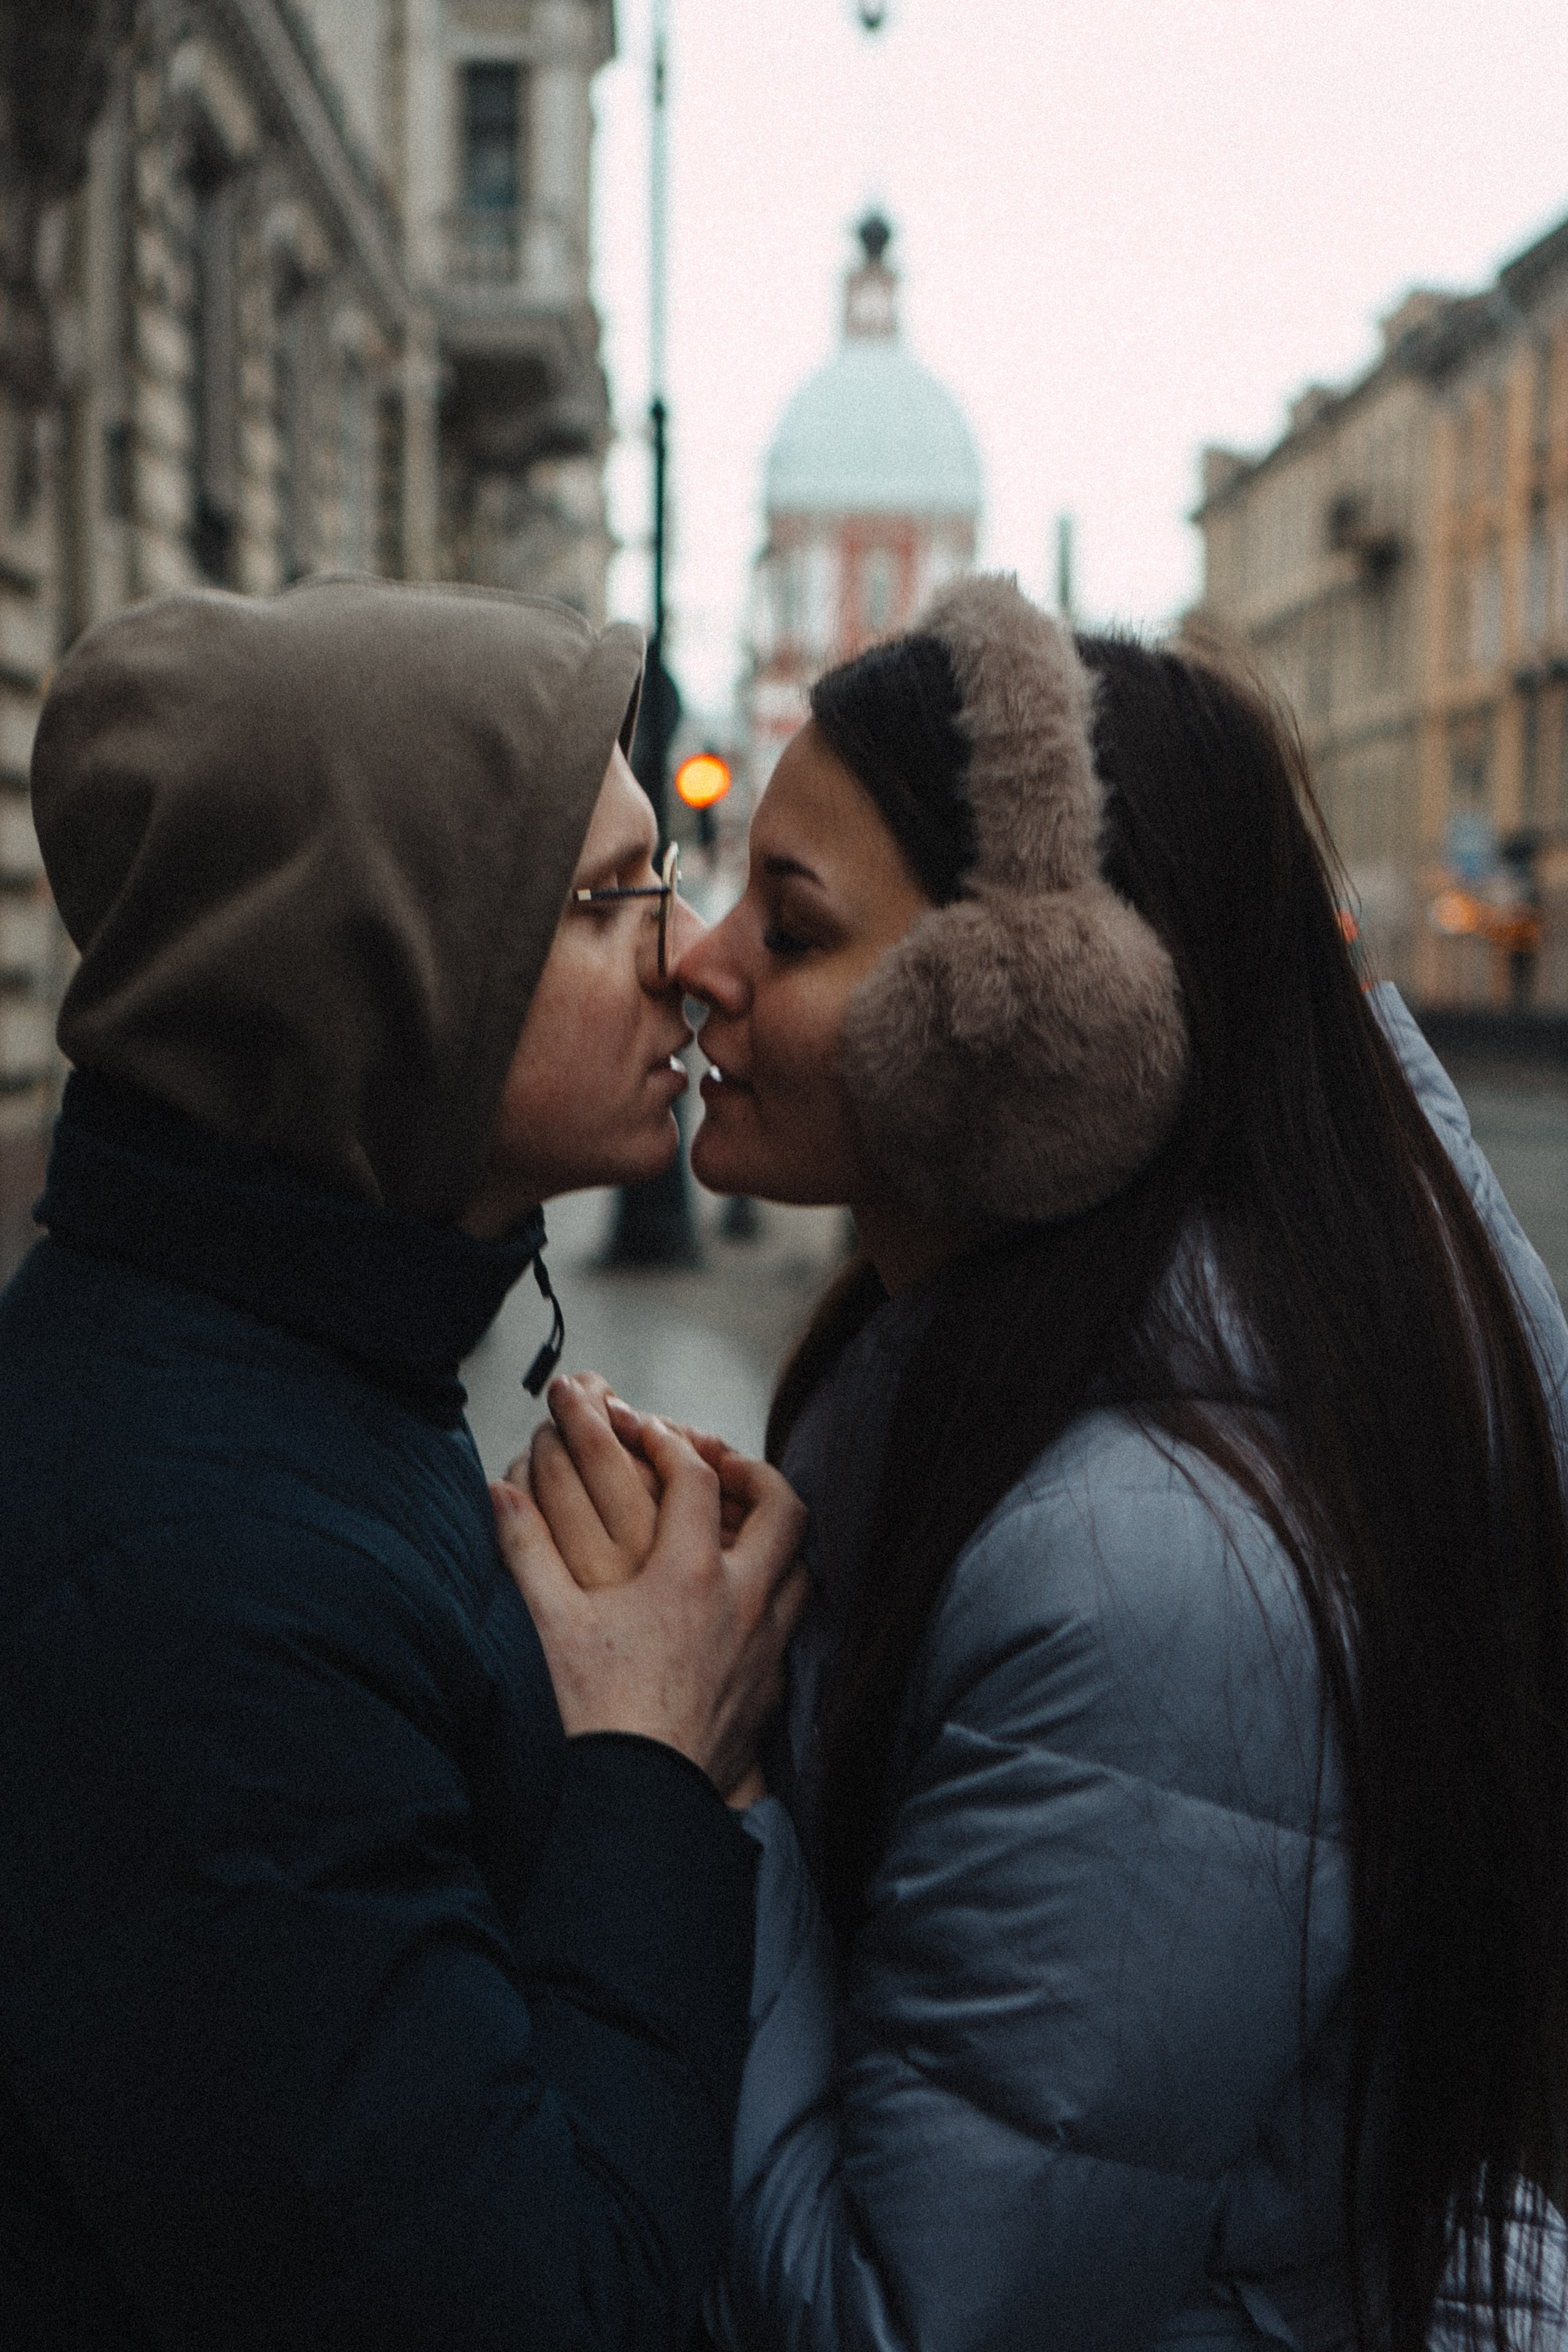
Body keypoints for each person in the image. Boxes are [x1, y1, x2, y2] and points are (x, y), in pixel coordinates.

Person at [503, 576, 1568, 2351]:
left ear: (1037, 1026)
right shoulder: (981, 1372)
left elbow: (906, 2322)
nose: (697, 961)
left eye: (796, 922)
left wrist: (697, 1776)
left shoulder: (1149, 1582)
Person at [0, 575, 809, 2350]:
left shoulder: (304, 1368)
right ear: (383, 973)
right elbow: (531, 2308)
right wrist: (653, 1764)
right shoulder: (201, 1584)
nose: (686, 952)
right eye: (608, 902)